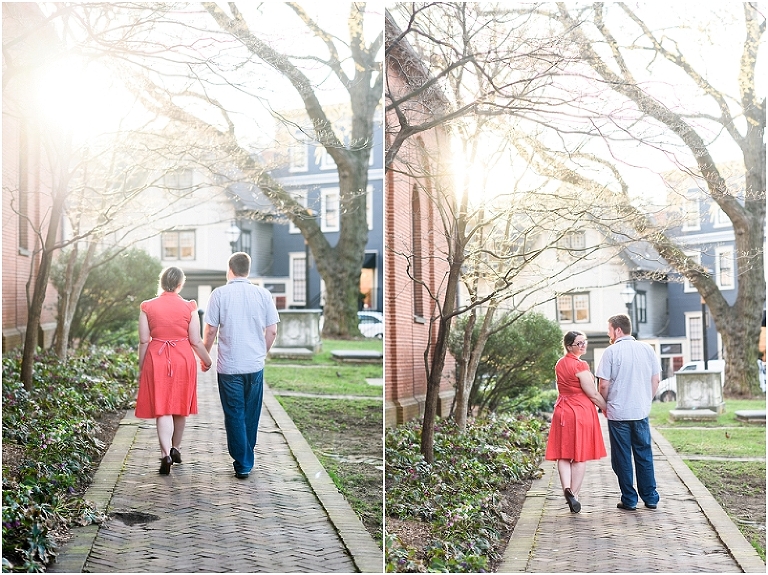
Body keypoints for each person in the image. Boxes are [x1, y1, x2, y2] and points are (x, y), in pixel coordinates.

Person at [203, 252, 279, 479]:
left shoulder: (219, 295)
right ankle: (246, 454)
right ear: (248, 269)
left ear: (230, 268)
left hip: (229, 367)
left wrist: (204, 355)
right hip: (254, 365)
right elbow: (272, 330)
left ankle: (243, 461)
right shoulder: (263, 294)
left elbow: (210, 330)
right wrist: (261, 353)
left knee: (234, 412)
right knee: (251, 413)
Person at [136, 266, 212, 475]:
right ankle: (175, 447)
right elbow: (195, 340)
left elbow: (144, 340)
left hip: (156, 358)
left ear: (161, 283)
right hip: (182, 359)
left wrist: (142, 365)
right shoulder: (189, 307)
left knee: (163, 408)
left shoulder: (147, 306)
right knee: (179, 405)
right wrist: (207, 360)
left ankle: (165, 455)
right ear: (180, 285)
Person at [595, 313, 661, 511]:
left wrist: (604, 405)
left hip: (618, 413)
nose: (609, 334)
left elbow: (603, 385)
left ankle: (630, 499)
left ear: (617, 330)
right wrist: (645, 400)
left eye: (609, 330)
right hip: (640, 412)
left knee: (622, 456)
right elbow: (656, 380)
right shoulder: (647, 349)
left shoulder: (611, 352)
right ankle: (650, 498)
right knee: (644, 455)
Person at [545, 331, 607, 513]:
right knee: (579, 456)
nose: (583, 346)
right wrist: (607, 408)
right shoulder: (581, 365)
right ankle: (574, 495)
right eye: (578, 343)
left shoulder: (559, 363)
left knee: (563, 455)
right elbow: (593, 394)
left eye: (584, 342)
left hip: (562, 411)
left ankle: (567, 490)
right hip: (579, 412)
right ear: (569, 346)